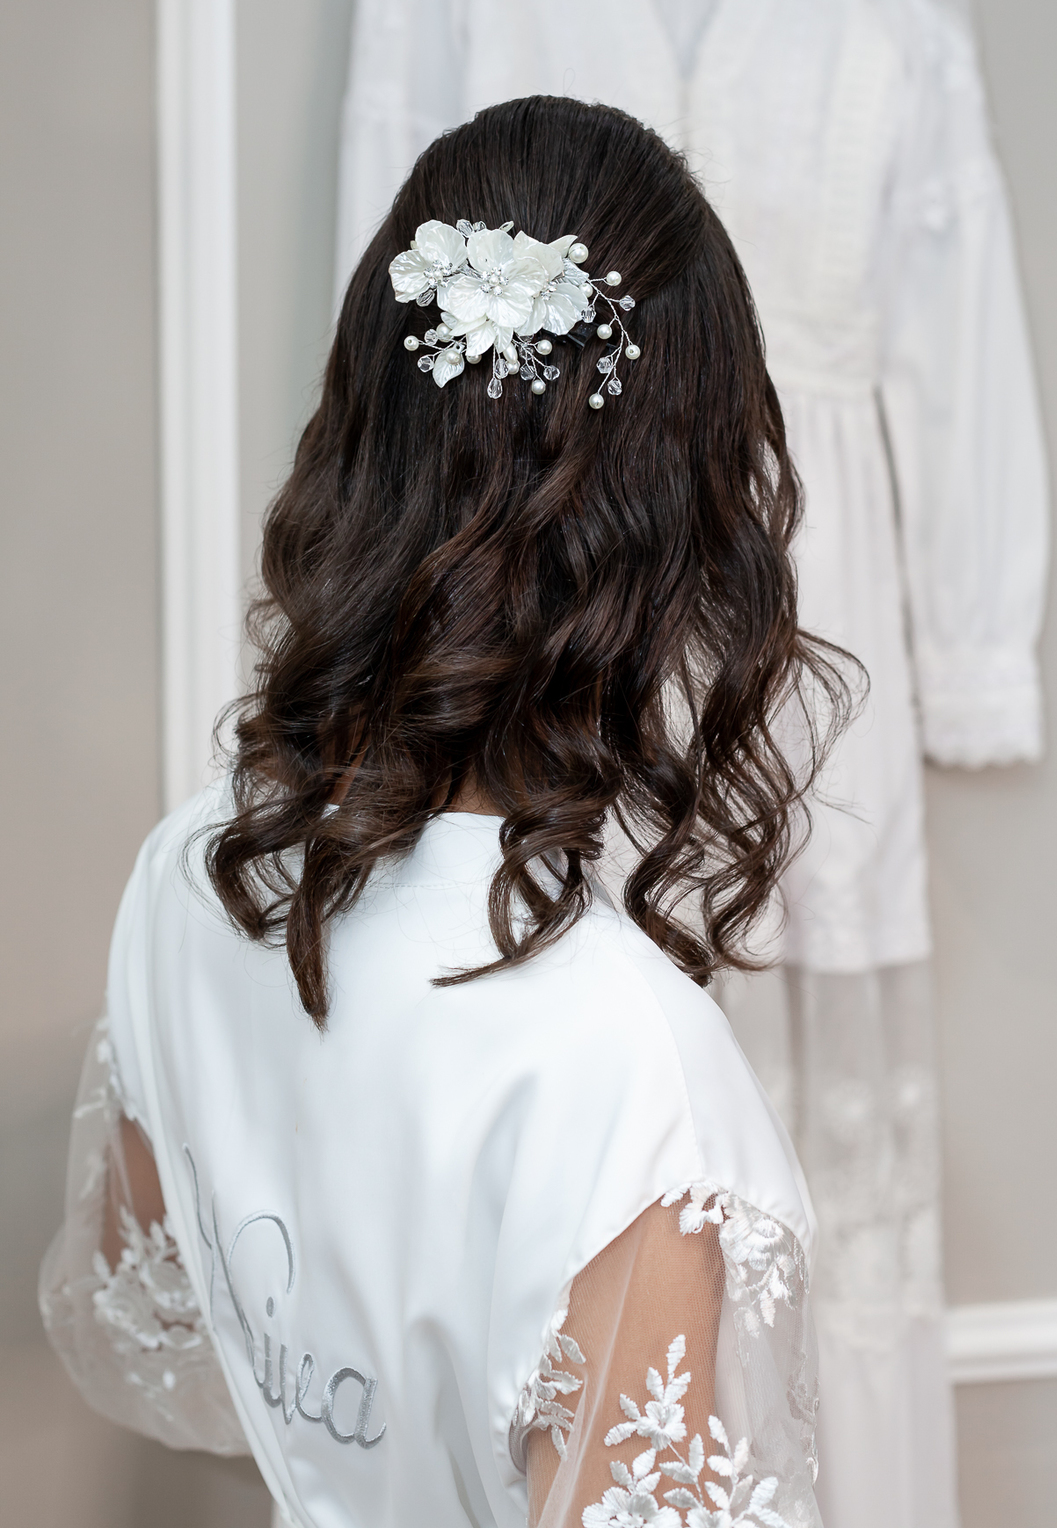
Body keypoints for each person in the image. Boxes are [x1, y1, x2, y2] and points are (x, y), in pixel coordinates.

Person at [41, 96, 852, 1528]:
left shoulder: (191, 875)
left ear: (371, 423)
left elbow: (157, 1335)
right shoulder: (629, 1076)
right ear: (679, 517)